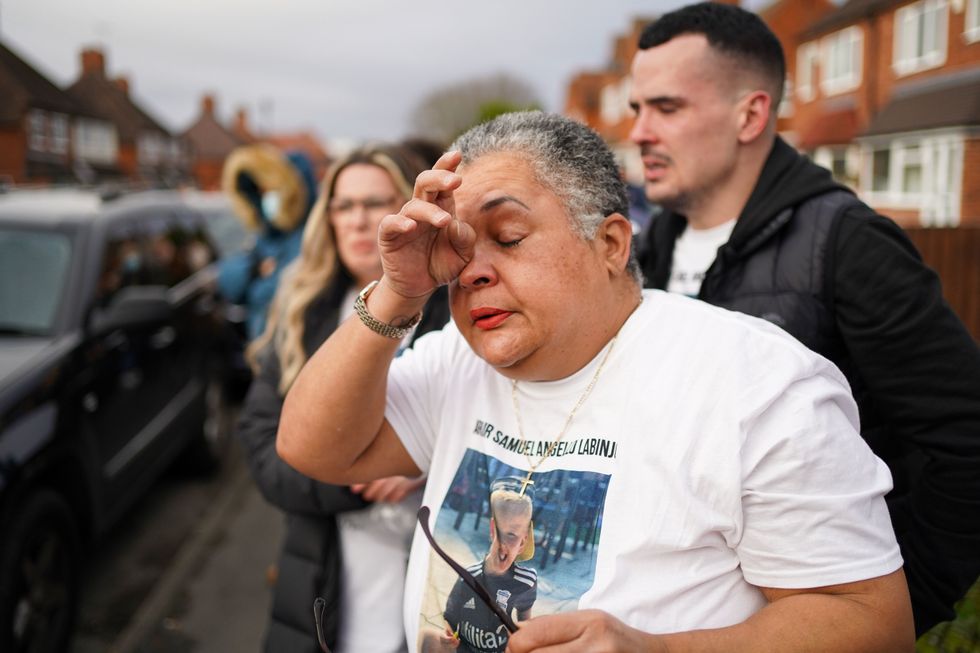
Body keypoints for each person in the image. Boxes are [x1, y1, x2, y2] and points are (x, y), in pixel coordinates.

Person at [277, 111, 913, 652]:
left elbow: (871, 620)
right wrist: (397, 293)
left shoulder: (753, 381)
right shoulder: (457, 360)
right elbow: (313, 449)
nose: (472, 273)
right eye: (461, 250)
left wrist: (653, 651)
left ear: (610, 243)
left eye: (509, 236)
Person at [628, 2, 980, 636]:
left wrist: (890, 612)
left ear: (751, 114)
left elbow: (965, 444)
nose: (640, 132)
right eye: (636, 109)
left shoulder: (848, 246)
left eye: (667, 107)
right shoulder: (651, 249)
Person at [235, 144, 451, 653]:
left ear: (409, 209)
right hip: (322, 573)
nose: (358, 221)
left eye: (375, 203)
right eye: (343, 206)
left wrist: (420, 463)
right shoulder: (302, 311)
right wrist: (363, 468)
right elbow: (263, 448)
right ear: (326, 218)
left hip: (428, 576)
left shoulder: (457, 313)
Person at [421, 477, 538, 652]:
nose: (504, 545)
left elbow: (525, 624)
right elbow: (450, 618)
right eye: (500, 533)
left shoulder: (526, 581)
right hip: (466, 649)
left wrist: (520, 639)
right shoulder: (468, 577)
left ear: (523, 542)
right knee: (427, 637)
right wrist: (449, 636)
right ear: (492, 530)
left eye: (512, 535)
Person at [218, 144, 318, 340]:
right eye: (259, 191)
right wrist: (254, 269)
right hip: (262, 345)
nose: (266, 197)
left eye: (270, 189)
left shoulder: (312, 233)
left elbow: (284, 289)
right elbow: (228, 280)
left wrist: (256, 280)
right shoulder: (265, 234)